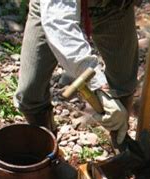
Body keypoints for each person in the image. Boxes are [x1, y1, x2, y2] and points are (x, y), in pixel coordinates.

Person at [14, 0, 139, 144]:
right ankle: (46, 148)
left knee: (123, 82)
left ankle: (122, 145)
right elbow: (59, 24)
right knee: (30, 91)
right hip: (53, 10)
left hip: (114, 7)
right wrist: (98, 85)